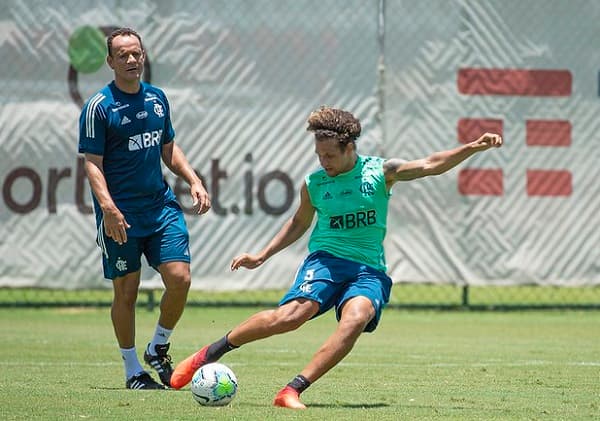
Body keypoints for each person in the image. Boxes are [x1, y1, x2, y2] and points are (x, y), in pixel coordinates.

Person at [170, 106, 502, 407]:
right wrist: (262, 255)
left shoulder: (380, 172)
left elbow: (431, 164)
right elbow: (299, 222)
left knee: (355, 318)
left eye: (329, 155)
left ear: (350, 148)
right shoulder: (314, 184)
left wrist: (472, 147)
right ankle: (209, 353)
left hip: (369, 270)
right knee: (291, 317)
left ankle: (292, 390)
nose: (323, 162)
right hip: (326, 261)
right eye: (319, 155)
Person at [78, 27, 211, 390]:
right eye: (123, 55)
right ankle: (133, 369)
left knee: (180, 279)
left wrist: (194, 179)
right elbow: (92, 163)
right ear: (110, 62)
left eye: (136, 53)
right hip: (120, 215)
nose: (132, 59)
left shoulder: (157, 99)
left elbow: (168, 147)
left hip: (160, 207)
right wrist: (107, 208)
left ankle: (158, 347)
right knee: (127, 291)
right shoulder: (99, 107)